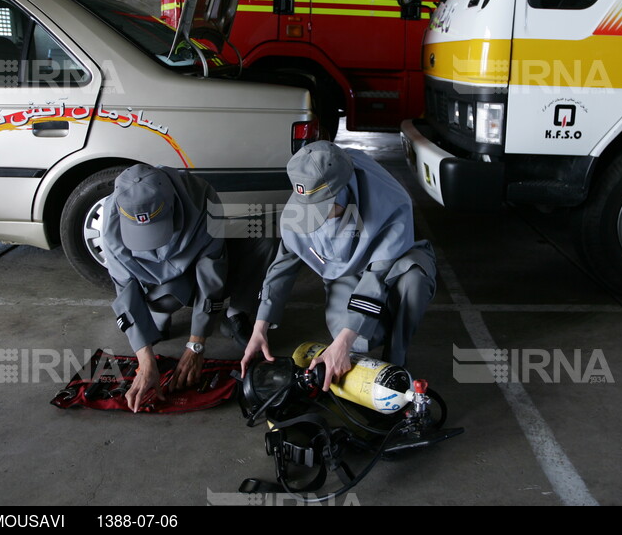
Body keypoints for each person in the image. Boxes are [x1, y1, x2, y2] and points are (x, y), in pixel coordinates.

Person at [240, 141, 436, 391]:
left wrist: (342, 343)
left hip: (395, 261)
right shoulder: (304, 198)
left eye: (322, 209)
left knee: (414, 280)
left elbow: (376, 277)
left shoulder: (391, 202)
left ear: (342, 189)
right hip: (344, 270)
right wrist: (260, 327)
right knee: (359, 339)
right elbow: (282, 266)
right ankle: (366, 334)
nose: (314, 217)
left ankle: (397, 357)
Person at [103, 163, 275, 412]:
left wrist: (196, 344)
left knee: (263, 238)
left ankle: (235, 313)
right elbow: (124, 290)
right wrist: (145, 357)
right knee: (159, 307)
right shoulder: (109, 225)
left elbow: (211, 273)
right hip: (162, 285)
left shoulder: (201, 195)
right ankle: (158, 316)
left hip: (199, 265)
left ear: (172, 203)